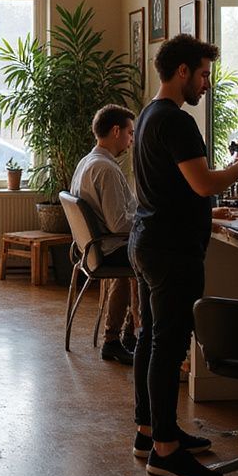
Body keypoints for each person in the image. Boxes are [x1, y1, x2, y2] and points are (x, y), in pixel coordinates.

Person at [129, 34, 238, 476]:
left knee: (153, 339)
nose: (207, 83)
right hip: (172, 250)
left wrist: (209, 207)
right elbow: (204, 182)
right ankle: (166, 453)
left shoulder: (149, 115)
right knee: (168, 347)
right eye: (204, 74)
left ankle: (151, 431)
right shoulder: (178, 121)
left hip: (149, 240)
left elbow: (179, 187)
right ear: (183, 71)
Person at [69, 103, 140, 366]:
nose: (132, 139)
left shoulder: (88, 162)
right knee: (152, 254)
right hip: (107, 249)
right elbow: (119, 224)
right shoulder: (107, 169)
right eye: (130, 133)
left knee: (141, 250)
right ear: (115, 131)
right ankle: (125, 336)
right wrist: (150, 220)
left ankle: (129, 334)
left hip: (90, 249)